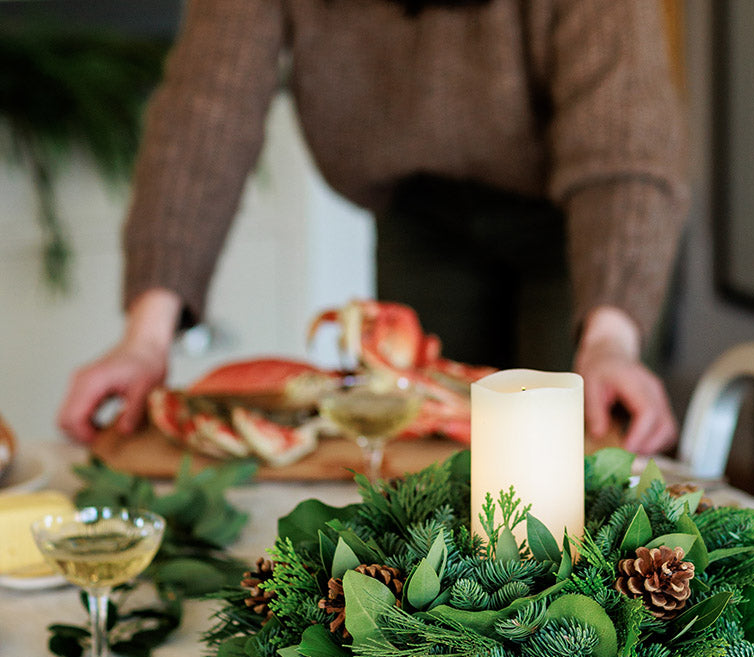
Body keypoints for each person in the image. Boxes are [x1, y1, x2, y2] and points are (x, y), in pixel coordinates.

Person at [58, 0, 688, 455]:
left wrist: (610, 339)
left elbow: (623, 136)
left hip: (579, 225)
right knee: (425, 460)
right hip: (421, 215)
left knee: (578, 463)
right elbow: (205, 112)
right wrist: (147, 336)